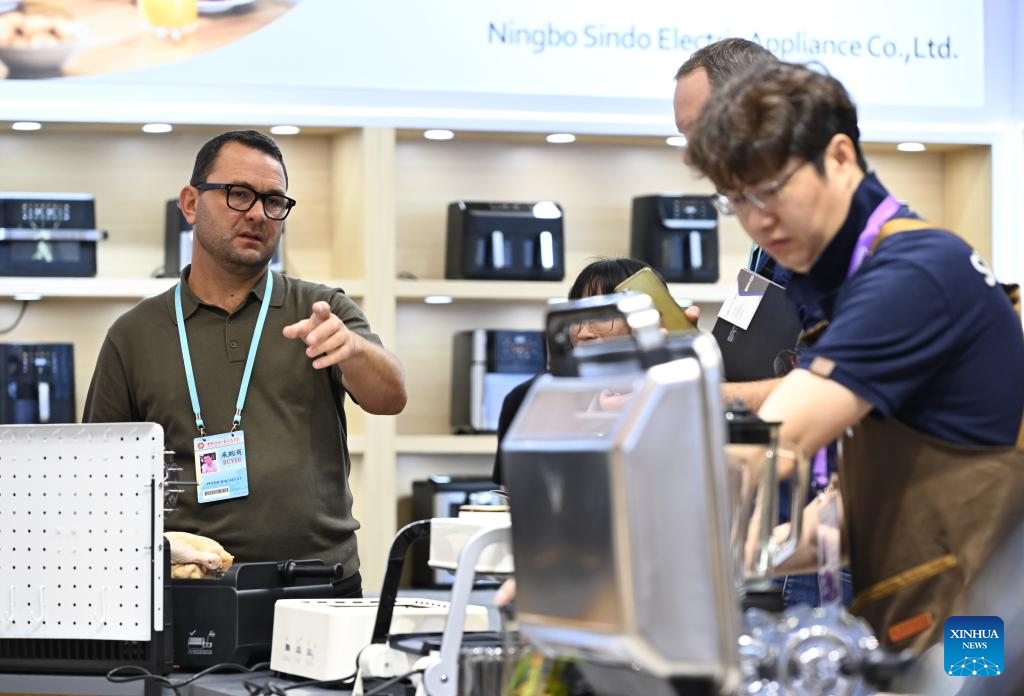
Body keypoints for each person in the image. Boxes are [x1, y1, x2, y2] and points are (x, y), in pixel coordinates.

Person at [686, 61, 1024, 652]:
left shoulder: (916, 272)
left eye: (772, 189)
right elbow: (853, 511)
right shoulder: (852, 279)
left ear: (840, 157)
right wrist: (740, 558)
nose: (757, 218)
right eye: (737, 199)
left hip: (976, 633)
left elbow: (780, 438)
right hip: (923, 618)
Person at [84, 130, 407, 596]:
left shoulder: (321, 311)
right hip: (188, 587)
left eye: (274, 201)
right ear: (191, 203)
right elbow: (101, 472)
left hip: (318, 584)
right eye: (239, 194)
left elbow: (390, 397)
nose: (258, 213)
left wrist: (354, 350)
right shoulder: (135, 333)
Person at [677, 38, 851, 609]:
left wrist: (701, 395)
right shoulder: (773, 253)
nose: (697, 155)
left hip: (871, 563)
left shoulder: (886, 269)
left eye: (701, 132)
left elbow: (824, 393)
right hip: (801, 530)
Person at [492, 257, 696, 485]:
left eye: (602, 315)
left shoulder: (682, 392)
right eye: (578, 316)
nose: (583, 332)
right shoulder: (529, 398)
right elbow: (520, 492)